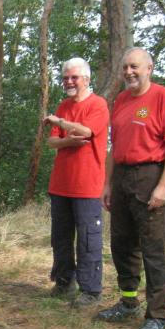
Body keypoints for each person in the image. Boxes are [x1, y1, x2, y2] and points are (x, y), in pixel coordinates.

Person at [97, 47, 165, 329]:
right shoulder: (121, 100)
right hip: (121, 177)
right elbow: (114, 146)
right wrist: (107, 184)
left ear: (149, 68)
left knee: (153, 248)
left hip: (149, 176)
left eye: (134, 66)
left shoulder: (162, 97)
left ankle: (157, 315)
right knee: (122, 244)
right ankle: (128, 302)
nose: (129, 72)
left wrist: (163, 185)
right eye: (125, 67)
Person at [43, 57, 110, 308]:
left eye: (74, 77)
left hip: (88, 186)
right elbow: (51, 142)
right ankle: (63, 283)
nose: (69, 82)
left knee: (88, 239)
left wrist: (60, 123)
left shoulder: (98, 105)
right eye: (65, 78)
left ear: (87, 79)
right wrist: (68, 140)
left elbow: (87, 132)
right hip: (60, 184)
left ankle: (91, 290)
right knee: (60, 237)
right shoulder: (63, 105)